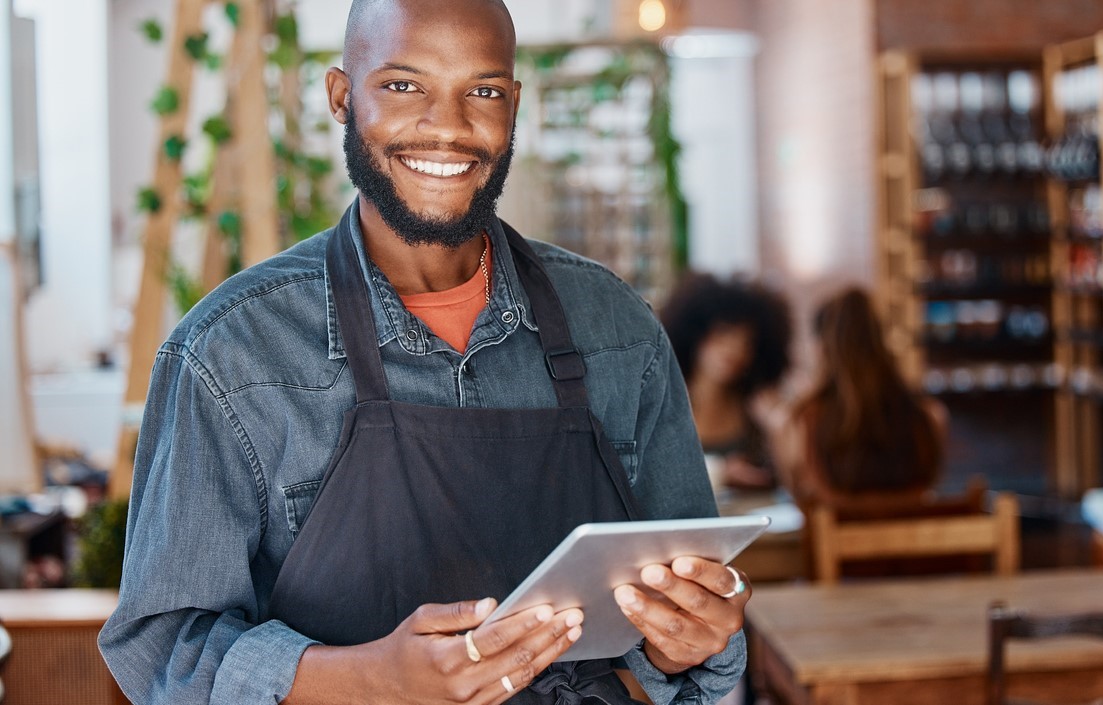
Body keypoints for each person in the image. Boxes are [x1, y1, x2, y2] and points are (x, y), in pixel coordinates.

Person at [98, 1, 750, 703]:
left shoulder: (618, 330)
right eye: (404, 85)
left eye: (484, 91)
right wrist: (371, 678)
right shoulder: (230, 353)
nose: (448, 125)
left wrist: (694, 638)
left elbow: (691, 621)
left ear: (514, 105)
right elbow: (164, 649)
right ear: (342, 97)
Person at [778, 287, 946, 508]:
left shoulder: (805, 418)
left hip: (836, 541)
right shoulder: (928, 414)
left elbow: (798, 495)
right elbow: (930, 484)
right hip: (913, 540)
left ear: (823, 348)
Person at [659, 273, 791, 491]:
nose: (734, 349)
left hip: (751, 519)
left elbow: (789, 482)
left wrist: (778, 427)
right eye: (723, 333)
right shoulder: (663, 402)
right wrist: (722, 472)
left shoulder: (756, 407)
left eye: (746, 342)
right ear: (694, 334)